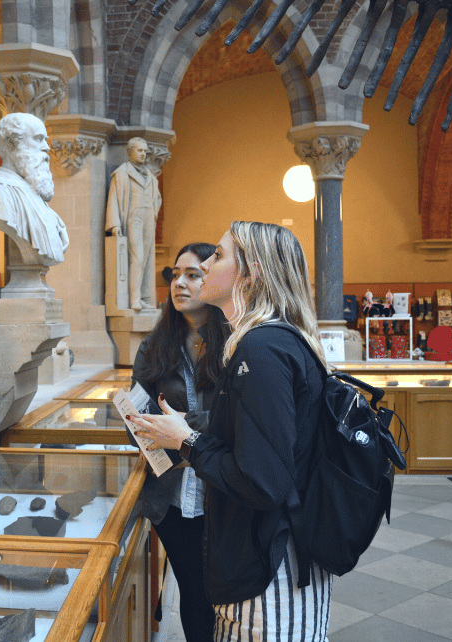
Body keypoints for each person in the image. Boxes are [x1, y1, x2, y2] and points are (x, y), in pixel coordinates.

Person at [129, 221, 333, 642]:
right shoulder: (263, 342)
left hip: (267, 563)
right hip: (258, 548)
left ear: (250, 275)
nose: (203, 266)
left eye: (216, 257)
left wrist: (186, 438)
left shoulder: (260, 349)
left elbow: (263, 481)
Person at [130, 242, 227, 642]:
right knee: (192, 589)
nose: (180, 283)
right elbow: (135, 415)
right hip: (170, 494)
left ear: (214, 280)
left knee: (222, 589)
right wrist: (149, 429)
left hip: (221, 489)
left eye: (193, 275)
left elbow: (238, 416)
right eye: (175, 274)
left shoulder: (235, 342)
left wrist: (185, 429)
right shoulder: (154, 346)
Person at [0, 112, 69, 265]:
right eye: (38, 139)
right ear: (11, 143)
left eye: (45, 140)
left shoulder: (41, 202)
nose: (47, 148)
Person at [105, 137, 162, 310]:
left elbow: (157, 198)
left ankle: (143, 296)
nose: (143, 154)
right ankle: (133, 299)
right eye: (139, 150)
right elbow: (113, 199)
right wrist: (114, 225)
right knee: (136, 257)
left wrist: (154, 212)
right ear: (130, 151)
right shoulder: (122, 172)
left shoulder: (150, 175)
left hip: (148, 217)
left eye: (145, 151)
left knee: (145, 258)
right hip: (133, 217)